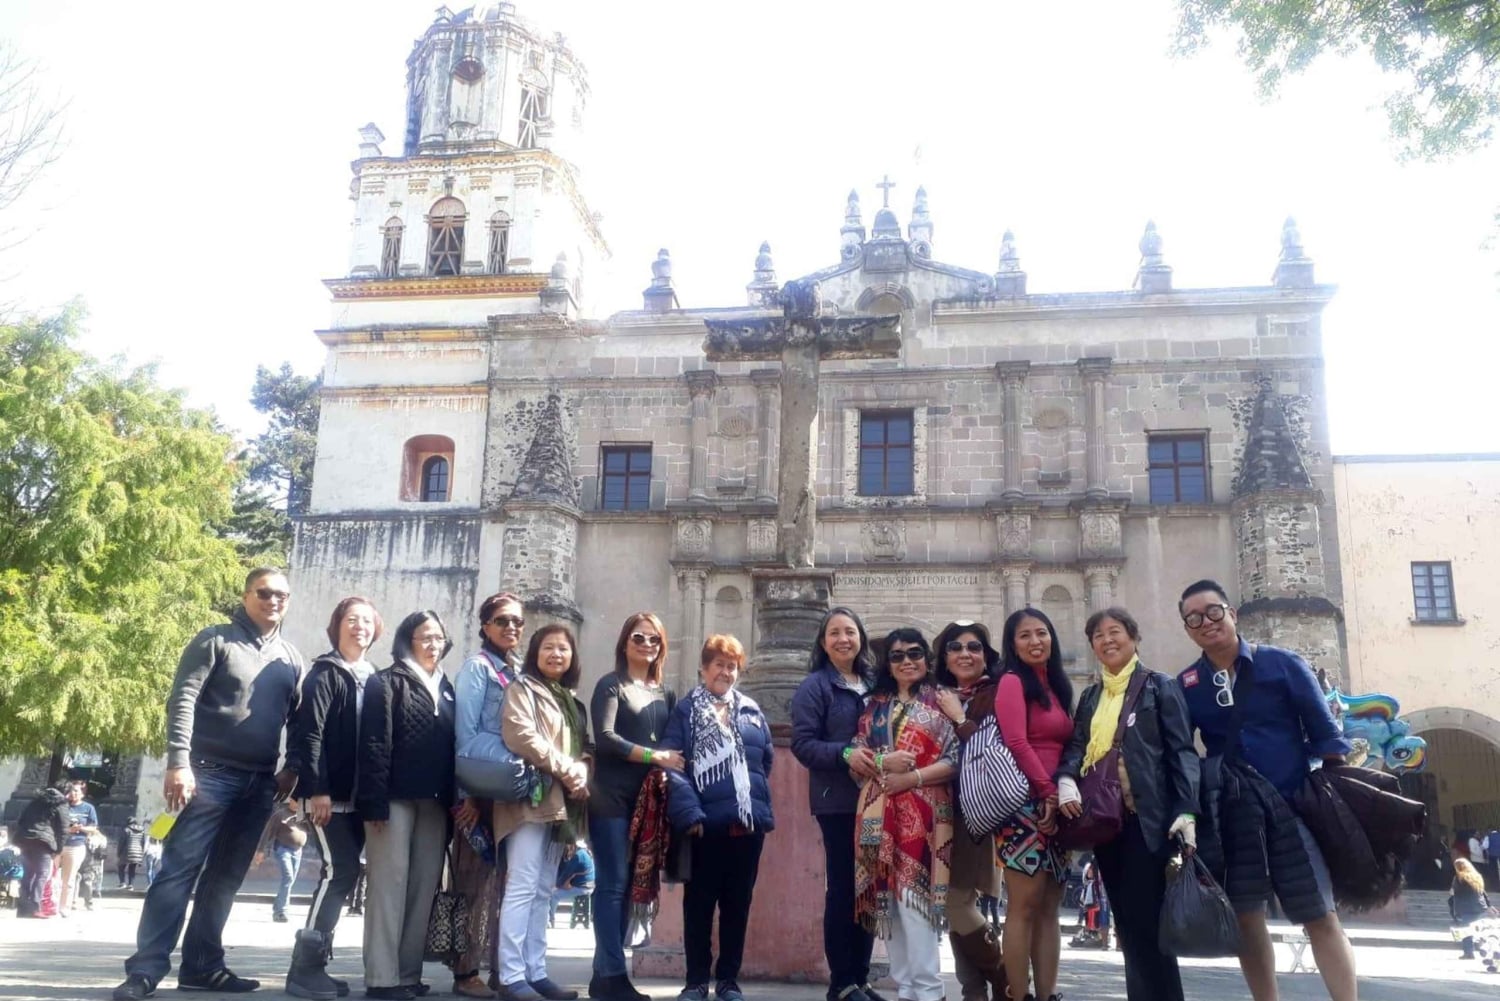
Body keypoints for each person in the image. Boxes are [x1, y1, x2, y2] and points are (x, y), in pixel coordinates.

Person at [114, 567, 305, 1001]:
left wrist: (293, 765)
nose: (274, 600)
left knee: (225, 880)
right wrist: (178, 763)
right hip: (207, 774)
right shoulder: (215, 639)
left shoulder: (291, 658)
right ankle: (145, 970)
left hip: (259, 783)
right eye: (265, 592)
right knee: (177, 875)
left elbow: (300, 719)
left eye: (282, 595)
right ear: (246, 595)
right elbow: (182, 698)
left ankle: (203, 966)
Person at [1177, 579, 1356, 1001]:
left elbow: (1328, 740)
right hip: (1235, 815)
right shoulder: (1186, 685)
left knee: (1321, 915)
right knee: (1247, 918)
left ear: (1232, 614)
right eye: (1194, 618)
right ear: (1187, 629)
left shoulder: (1283, 664)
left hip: (1293, 805)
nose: (1207, 622)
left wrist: (1331, 804)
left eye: (1214, 611)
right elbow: (1181, 751)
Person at [1055, 607, 1199, 1001]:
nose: (1107, 640)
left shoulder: (1159, 686)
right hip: (1106, 823)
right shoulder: (1091, 696)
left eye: (1114, 632)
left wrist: (1186, 809)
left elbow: (1181, 751)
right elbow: (1078, 745)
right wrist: (1066, 778)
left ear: (1133, 637)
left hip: (1146, 819)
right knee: (1128, 924)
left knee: (1146, 924)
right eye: (1097, 636)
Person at [662, 634, 775, 1001]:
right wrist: (689, 812)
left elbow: (765, 762)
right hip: (703, 825)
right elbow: (673, 764)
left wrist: (750, 803)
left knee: (737, 906)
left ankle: (728, 981)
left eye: (731, 666)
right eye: (718, 665)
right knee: (698, 906)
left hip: (746, 826)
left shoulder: (751, 710)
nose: (725, 672)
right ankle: (696, 982)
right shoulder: (686, 710)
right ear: (703, 668)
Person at [284, 595, 383, 1000]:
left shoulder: (372, 675)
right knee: (337, 870)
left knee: (343, 875)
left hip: (361, 798)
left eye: (367, 621)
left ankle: (316, 966)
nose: (359, 626)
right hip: (329, 795)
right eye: (351, 619)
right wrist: (318, 788)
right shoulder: (324, 673)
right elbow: (309, 734)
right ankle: (303, 970)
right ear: (337, 625)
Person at [849, 629, 955, 1001]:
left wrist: (912, 776)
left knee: (916, 904)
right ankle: (906, 991)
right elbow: (855, 756)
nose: (907, 661)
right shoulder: (874, 707)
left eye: (914, 653)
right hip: (877, 815)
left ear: (927, 659)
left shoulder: (943, 702)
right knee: (888, 906)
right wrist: (882, 762)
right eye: (897, 656)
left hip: (924, 817)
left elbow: (956, 758)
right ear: (888, 664)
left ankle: (929, 991)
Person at [357, 610, 457, 1001]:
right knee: (388, 886)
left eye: (438, 638)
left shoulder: (446, 686)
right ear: (408, 640)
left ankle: (407, 974)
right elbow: (375, 745)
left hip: (434, 803)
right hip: (393, 800)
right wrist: (374, 803)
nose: (433, 644)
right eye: (425, 637)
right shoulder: (386, 682)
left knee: (421, 888)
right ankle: (382, 979)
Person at [790, 607, 884, 1001]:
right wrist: (845, 753)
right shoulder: (816, 686)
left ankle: (860, 979)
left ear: (860, 637)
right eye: (834, 633)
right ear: (823, 642)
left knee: (870, 890)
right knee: (844, 887)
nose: (843, 639)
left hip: (879, 801)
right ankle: (841, 982)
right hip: (839, 802)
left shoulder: (876, 684)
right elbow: (803, 743)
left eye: (849, 631)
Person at [494, 624, 592, 1001]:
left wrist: (581, 771)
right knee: (521, 885)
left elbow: (581, 746)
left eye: (563, 649)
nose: (556, 654)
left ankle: (536, 972)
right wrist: (569, 770)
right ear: (535, 652)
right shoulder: (522, 689)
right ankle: (512, 976)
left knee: (541, 891)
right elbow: (520, 735)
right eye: (548, 647)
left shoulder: (569, 698)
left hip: (561, 806)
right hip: (529, 801)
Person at [588, 612, 682, 1001]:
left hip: (649, 802)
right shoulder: (611, 686)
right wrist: (653, 757)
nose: (646, 645)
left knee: (631, 887)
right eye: (639, 638)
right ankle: (612, 975)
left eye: (654, 640)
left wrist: (662, 766)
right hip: (610, 795)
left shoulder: (666, 693)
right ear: (625, 642)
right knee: (612, 885)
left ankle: (604, 976)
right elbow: (606, 738)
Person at [992, 608, 1074, 1001]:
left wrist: (1059, 793)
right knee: (1023, 905)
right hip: (1025, 804)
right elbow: (1016, 741)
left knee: (1050, 906)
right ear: (1012, 644)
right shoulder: (1011, 682)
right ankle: (1018, 995)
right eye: (1024, 635)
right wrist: (1045, 790)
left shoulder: (1057, 687)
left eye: (1042, 632)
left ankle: (1048, 994)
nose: (1035, 641)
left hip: (1057, 804)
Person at [450, 592, 526, 999]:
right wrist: (468, 797)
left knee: (504, 885)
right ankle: (465, 973)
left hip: (507, 792)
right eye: (502, 621)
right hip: (478, 793)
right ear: (485, 626)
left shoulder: (514, 672)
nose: (510, 627)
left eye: (516, 621)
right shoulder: (477, 669)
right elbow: (465, 736)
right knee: (473, 884)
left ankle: (503, 971)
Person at [932, 620, 1008, 1001]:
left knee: (958, 902)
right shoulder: (933, 698)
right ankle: (973, 992)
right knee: (955, 904)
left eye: (974, 646)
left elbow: (995, 752)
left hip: (975, 811)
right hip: (938, 812)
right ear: (944, 657)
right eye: (956, 647)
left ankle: (1006, 979)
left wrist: (959, 718)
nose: (965, 653)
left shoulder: (996, 694)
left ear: (985, 655)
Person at [14, 785, 68, 919]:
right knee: (42, 874)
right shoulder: (60, 803)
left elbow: (21, 820)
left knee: (27, 874)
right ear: (65, 792)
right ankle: (34, 907)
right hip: (43, 842)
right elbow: (63, 828)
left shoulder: (35, 801)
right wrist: (59, 848)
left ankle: (22, 908)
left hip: (24, 839)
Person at [258, 803, 310, 923]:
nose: (297, 803)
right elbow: (268, 832)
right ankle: (281, 912)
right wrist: (261, 850)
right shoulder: (280, 814)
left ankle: (278, 907)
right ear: (290, 800)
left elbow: (310, 829)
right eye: (295, 800)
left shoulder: (303, 815)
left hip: (298, 851)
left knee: (290, 880)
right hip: (283, 848)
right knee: (288, 877)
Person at [58, 779, 98, 916]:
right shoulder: (63, 806)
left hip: (76, 845)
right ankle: (50, 904)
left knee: (69, 879)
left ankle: (64, 907)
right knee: (52, 877)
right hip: (59, 844)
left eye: (76, 791)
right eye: (70, 790)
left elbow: (93, 828)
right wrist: (68, 830)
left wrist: (81, 828)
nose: (73, 793)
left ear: (82, 794)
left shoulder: (88, 808)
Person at [1452, 858, 1491, 958]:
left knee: (1466, 931)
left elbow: (1456, 892)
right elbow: (1482, 892)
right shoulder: (1477, 876)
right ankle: (1486, 948)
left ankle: (1468, 952)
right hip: (1480, 907)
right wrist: (1489, 905)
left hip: (1467, 908)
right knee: (1480, 930)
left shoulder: (1459, 877)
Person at [551, 840, 595, 928]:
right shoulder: (586, 854)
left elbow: (567, 873)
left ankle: (550, 919)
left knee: (553, 895)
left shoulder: (578, 856)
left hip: (582, 888)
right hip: (589, 886)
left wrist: (556, 885)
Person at [117, 817, 147, 890]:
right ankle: (130, 885)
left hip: (127, 852)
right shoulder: (142, 831)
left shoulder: (126, 830)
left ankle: (122, 883)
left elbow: (121, 843)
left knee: (121, 866)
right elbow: (143, 843)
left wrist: (119, 852)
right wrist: (141, 853)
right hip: (137, 853)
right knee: (132, 869)